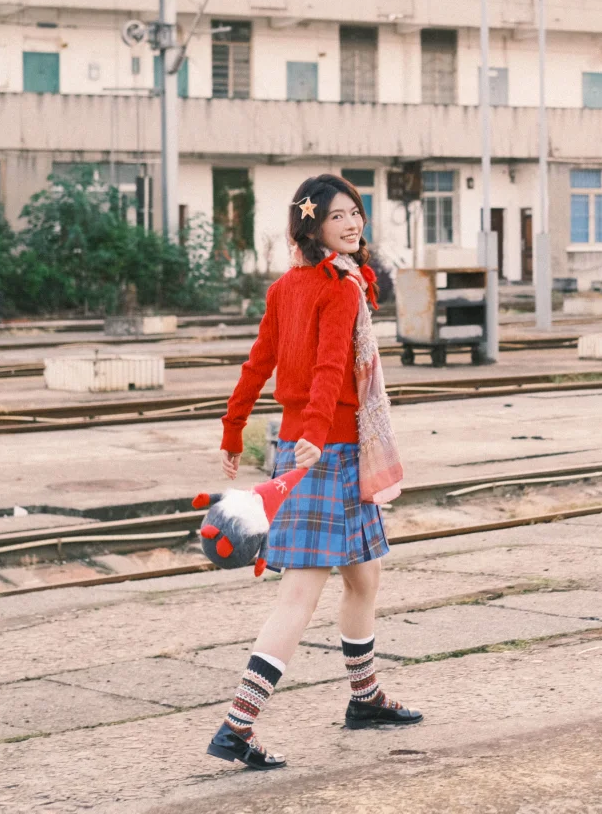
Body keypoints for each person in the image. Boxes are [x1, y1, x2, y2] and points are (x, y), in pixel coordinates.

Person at [206, 173, 421, 771]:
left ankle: (365, 697)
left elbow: (258, 364)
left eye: (355, 213)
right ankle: (237, 725)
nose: (351, 224)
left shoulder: (287, 287)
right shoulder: (338, 288)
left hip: (311, 448)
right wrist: (316, 433)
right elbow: (328, 368)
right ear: (312, 226)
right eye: (336, 217)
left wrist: (234, 429)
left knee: (364, 577)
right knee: (299, 596)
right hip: (327, 453)